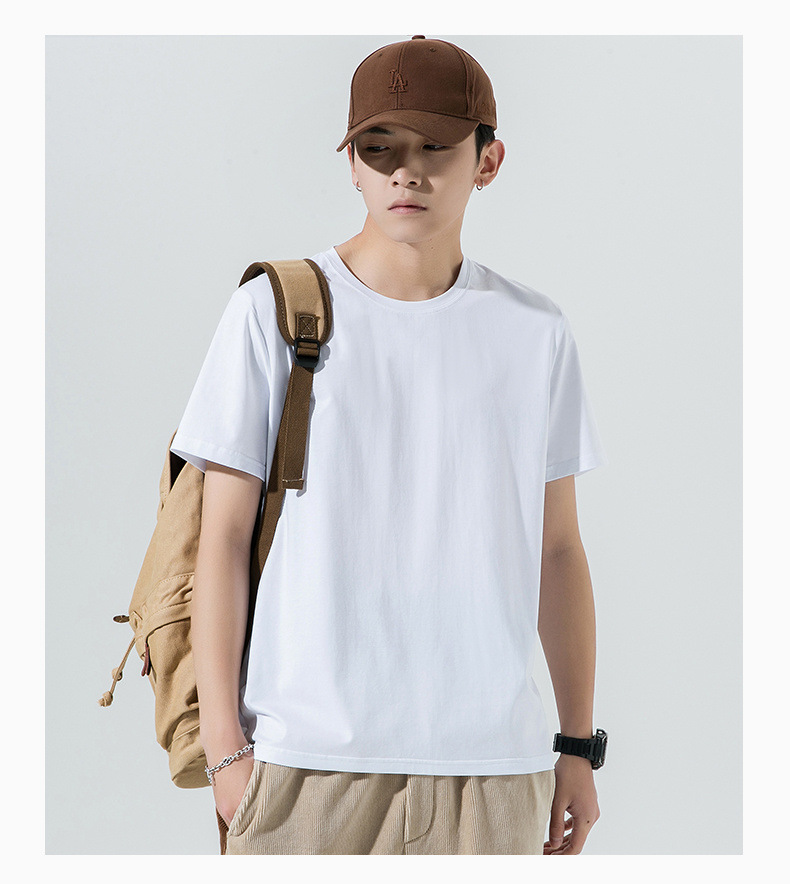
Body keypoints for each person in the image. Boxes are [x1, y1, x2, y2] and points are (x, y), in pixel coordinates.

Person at [170, 35, 609, 856]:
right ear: (351, 164)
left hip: (496, 769)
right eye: (380, 148)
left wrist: (576, 747)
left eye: (435, 146)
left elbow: (557, 550)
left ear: (488, 161)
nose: (406, 172)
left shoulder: (535, 331)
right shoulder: (274, 313)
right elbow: (221, 539)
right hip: (302, 762)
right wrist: (227, 753)